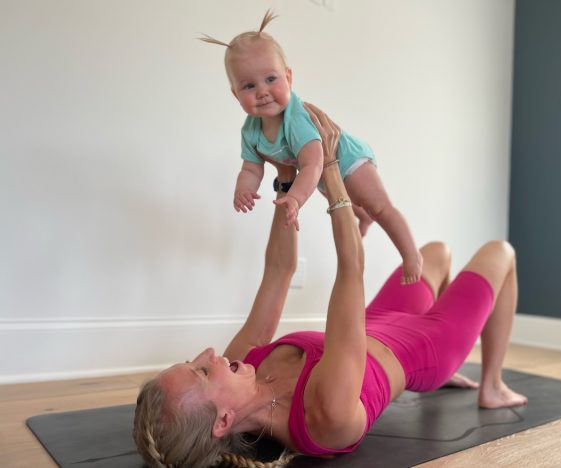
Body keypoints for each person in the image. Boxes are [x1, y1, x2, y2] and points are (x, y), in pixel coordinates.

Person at [133, 104, 527, 468]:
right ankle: (490, 385)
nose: (208, 353)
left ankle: (459, 357)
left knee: (435, 252)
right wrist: (332, 168)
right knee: (502, 252)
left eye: (193, 360)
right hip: (427, 345)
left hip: (378, 321)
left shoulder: (243, 364)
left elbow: (278, 270)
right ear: (223, 420)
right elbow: (351, 269)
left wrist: (285, 182)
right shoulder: (324, 417)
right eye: (202, 372)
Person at [199, 10, 423, 284]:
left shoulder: (296, 119)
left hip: (347, 158)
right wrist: (243, 189)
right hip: (318, 174)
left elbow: (314, 163)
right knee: (343, 199)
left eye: (271, 79)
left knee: (378, 205)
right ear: (235, 94)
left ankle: (411, 254)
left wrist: (294, 198)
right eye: (248, 85)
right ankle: (361, 216)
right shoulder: (251, 131)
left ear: (288, 78)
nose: (262, 91)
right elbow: (251, 167)